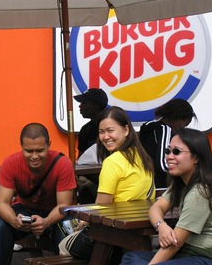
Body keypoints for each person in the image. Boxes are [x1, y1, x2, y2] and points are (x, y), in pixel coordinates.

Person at [122, 128, 212, 265]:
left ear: (196, 157)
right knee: (131, 258)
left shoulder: (201, 192)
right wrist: (161, 226)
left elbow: (175, 243)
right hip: (190, 251)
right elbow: (156, 208)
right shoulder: (181, 183)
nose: (169, 156)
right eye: (168, 151)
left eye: (176, 152)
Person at [59, 106, 155, 262]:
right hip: (137, 234)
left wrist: (83, 222)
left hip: (113, 235)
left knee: (63, 245)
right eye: (101, 132)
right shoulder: (142, 157)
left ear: (126, 130)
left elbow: (102, 207)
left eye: (110, 130)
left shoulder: (113, 162)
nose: (105, 137)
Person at [0, 123, 77, 265]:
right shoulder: (10, 163)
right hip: (25, 210)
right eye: (29, 151)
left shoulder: (63, 164)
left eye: (40, 150)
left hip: (55, 212)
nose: (34, 156)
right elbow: (3, 203)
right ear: (21, 146)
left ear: (49, 145)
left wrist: (46, 222)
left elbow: (64, 205)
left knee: (67, 232)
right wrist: (14, 221)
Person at [139, 98, 196, 188]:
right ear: (178, 118)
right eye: (185, 124)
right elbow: (163, 164)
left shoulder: (148, 125)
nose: (183, 128)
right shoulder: (164, 129)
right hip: (159, 186)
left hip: (144, 181)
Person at [74, 88, 108, 158]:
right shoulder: (85, 129)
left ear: (94, 106)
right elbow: (81, 160)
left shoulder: (115, 125)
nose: (80, 106)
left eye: (83, 103)